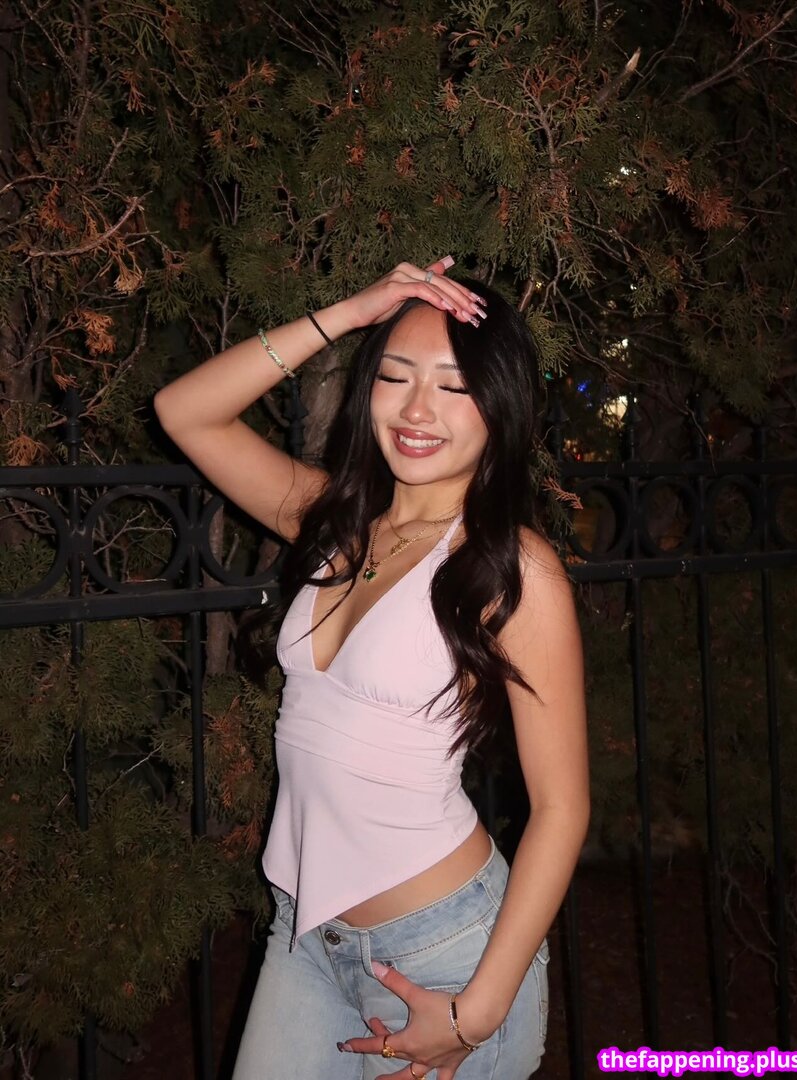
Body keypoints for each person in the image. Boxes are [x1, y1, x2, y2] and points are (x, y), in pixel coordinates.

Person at [153, 257, 589, 1079]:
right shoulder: (335, 524)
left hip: (444, 953)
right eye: (395, 376)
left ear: (500, 406)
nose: (418, 409)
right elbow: (185, 411)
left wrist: (476, 1013)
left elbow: (562, 808)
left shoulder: (512, 569)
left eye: (455, 387)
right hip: (304, 933)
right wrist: (353, 312)